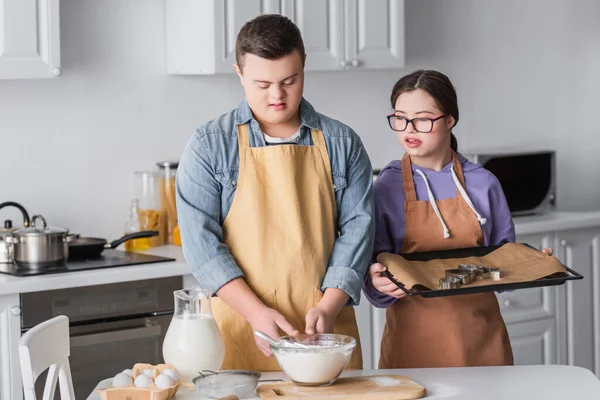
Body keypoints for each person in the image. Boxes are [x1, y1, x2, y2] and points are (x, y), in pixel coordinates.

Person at [176, 14, 374, 372]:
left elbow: (358, 230)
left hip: (324, 335)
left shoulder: (343, 143)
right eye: (262, 83)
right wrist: (254, 312)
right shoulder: (210, 145)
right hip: (237, 329)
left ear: (304, 65)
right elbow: (200, 245)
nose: (277, 95)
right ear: (239, 73)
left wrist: (329, 307)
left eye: (289, 80)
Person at [363, 69, 552, 368]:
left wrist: (529, 265)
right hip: (412, 345)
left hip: (480, 341)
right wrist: (377, 282)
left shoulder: (484, 183)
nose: (409, 129)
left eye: (423, 119)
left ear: (450, 119)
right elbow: (373, 275)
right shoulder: (386, 187)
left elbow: (502, 266)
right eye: (400, 118)